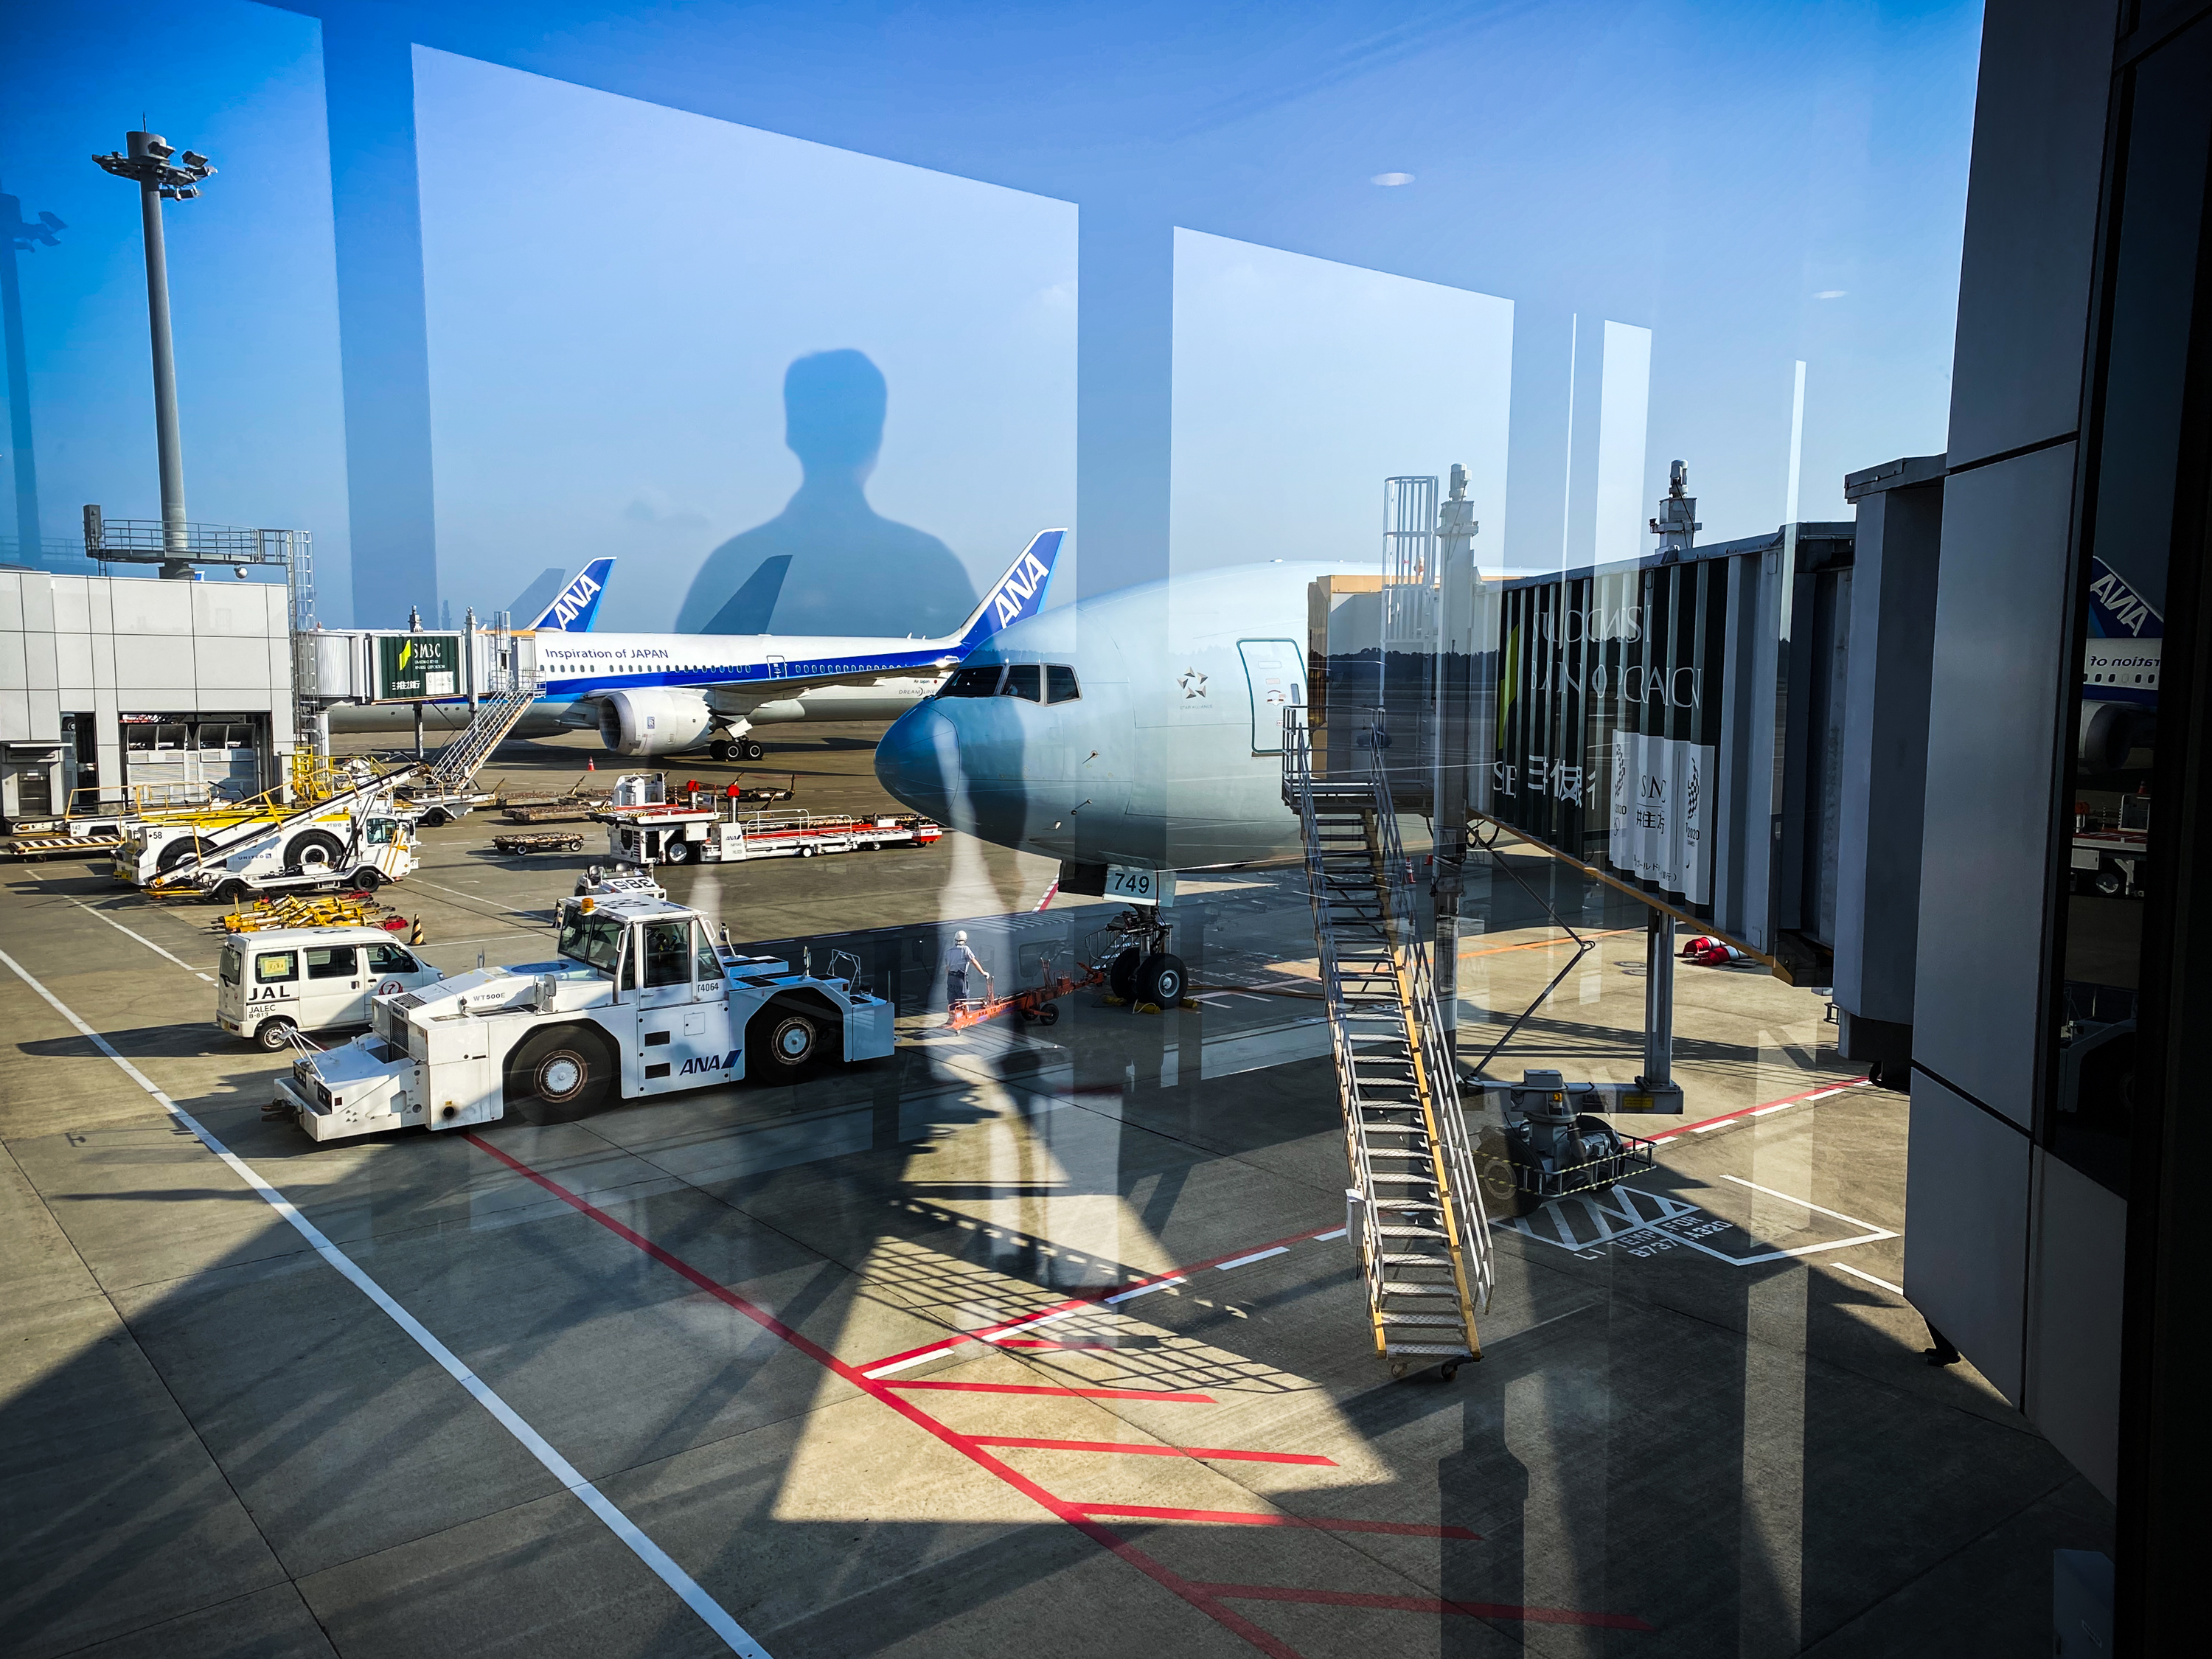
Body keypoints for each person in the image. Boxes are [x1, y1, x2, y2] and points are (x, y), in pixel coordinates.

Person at [675, 350, 978, 636]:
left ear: (792, 433)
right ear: (878, 437)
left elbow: (677, 683)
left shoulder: (733, 563)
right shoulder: (932, 563)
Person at [944, 929, 990, 1015]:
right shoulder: (965, 949)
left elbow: (947, 967)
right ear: (965, 940)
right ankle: (965, 1017)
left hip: (950, 978)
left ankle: (952, 1017)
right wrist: (983, 973)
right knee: (964, 1000)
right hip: (960, 979)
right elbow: (974, 961)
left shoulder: (948, 952)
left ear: (955, 940)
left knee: (952, 1000)